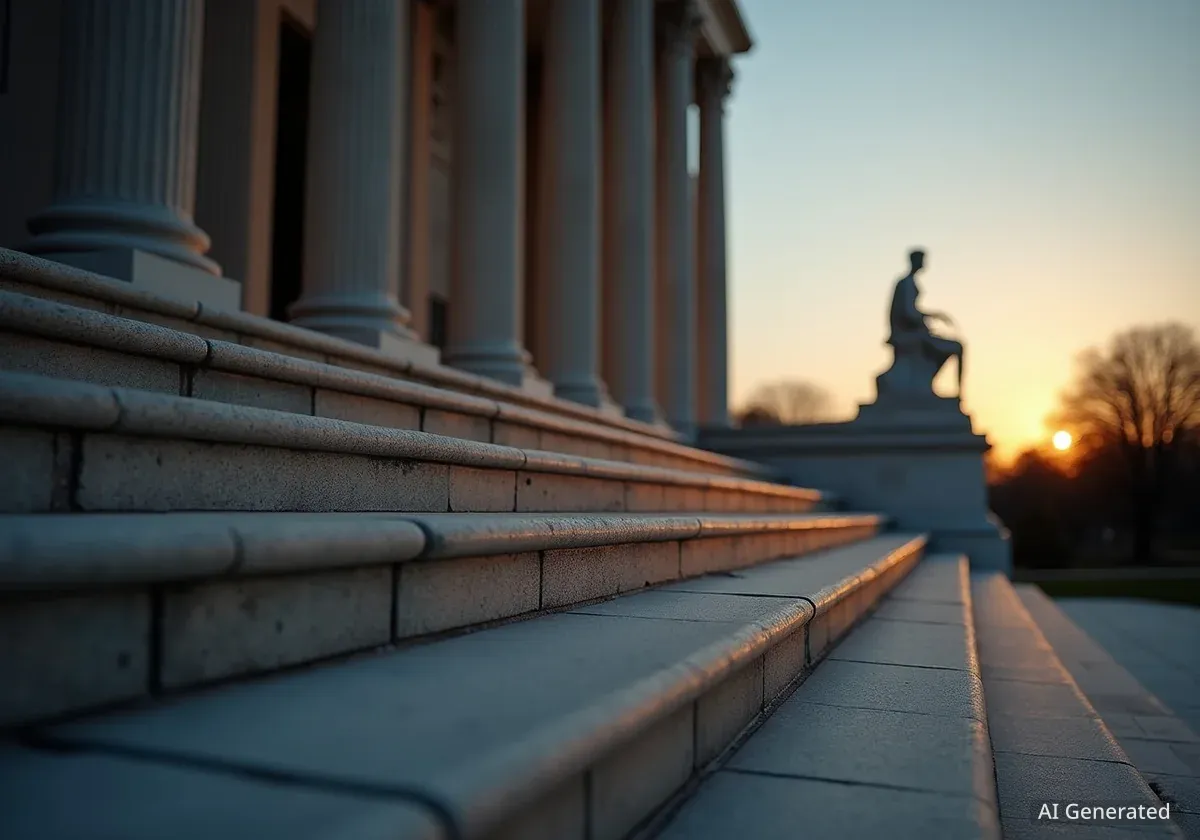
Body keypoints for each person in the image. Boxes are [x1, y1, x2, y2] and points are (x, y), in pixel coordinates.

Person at [887, 248, 964, 395]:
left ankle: (930, 384)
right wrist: (933, 316)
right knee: (957, 347)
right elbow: (908, 313)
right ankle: (958, 393)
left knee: (951, 347)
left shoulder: (908, 282)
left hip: (915, 332)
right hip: (909, 335)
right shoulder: (906, 283)